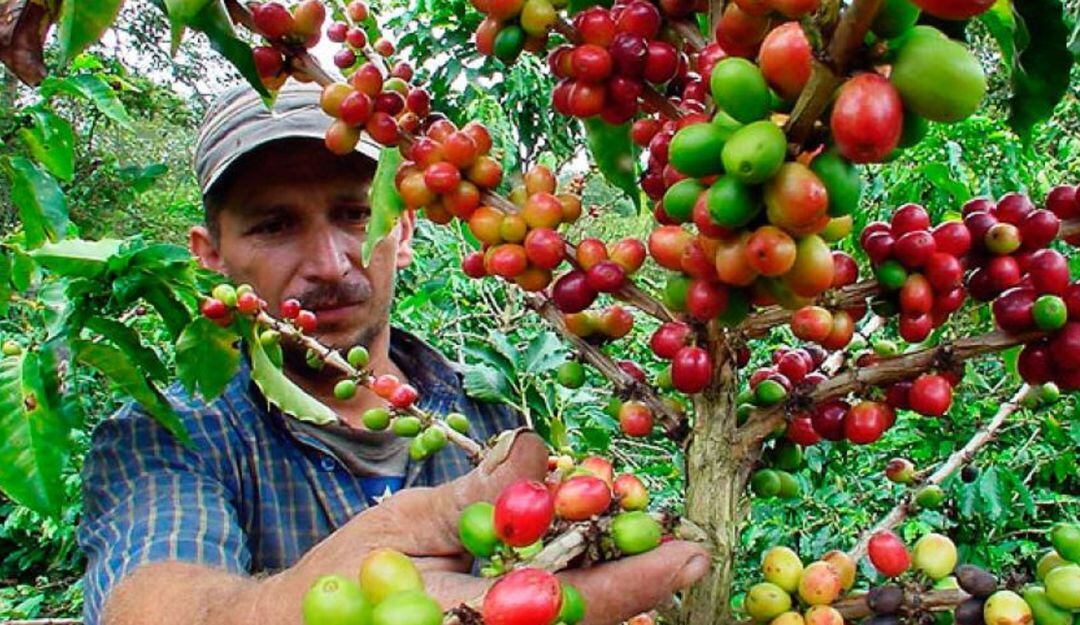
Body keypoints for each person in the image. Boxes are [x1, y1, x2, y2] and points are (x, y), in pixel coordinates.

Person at [77, 82, 709, 625]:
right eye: (274, 226)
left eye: (355, 215)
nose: (328, 266)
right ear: (210, 254)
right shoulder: (168, 435)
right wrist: (290, 607)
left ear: (402, 231)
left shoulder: (490, 412)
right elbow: (152, 598)